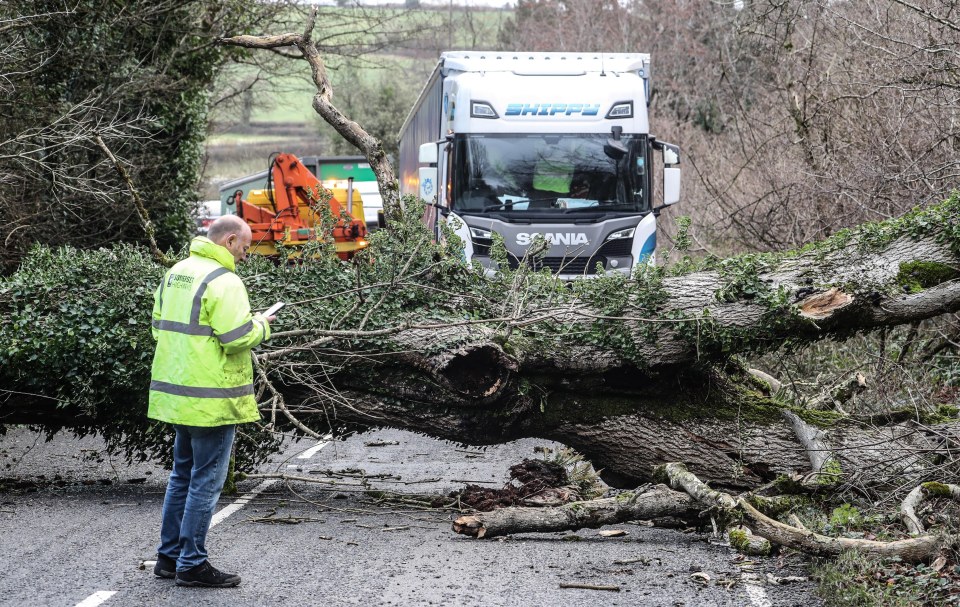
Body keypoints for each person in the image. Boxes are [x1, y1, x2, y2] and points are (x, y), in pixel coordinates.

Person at [148, 215, 276, 588]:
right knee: (206, 480)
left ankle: (168, 558)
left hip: (178, 393)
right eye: (245, 247)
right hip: (211, 398)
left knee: (181, 475)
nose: (245, 255)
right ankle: (192, 564)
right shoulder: (225, 280)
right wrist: (263, 324)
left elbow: (159, 325)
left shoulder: (176, 272)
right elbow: (236, 338)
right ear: (230, 240)